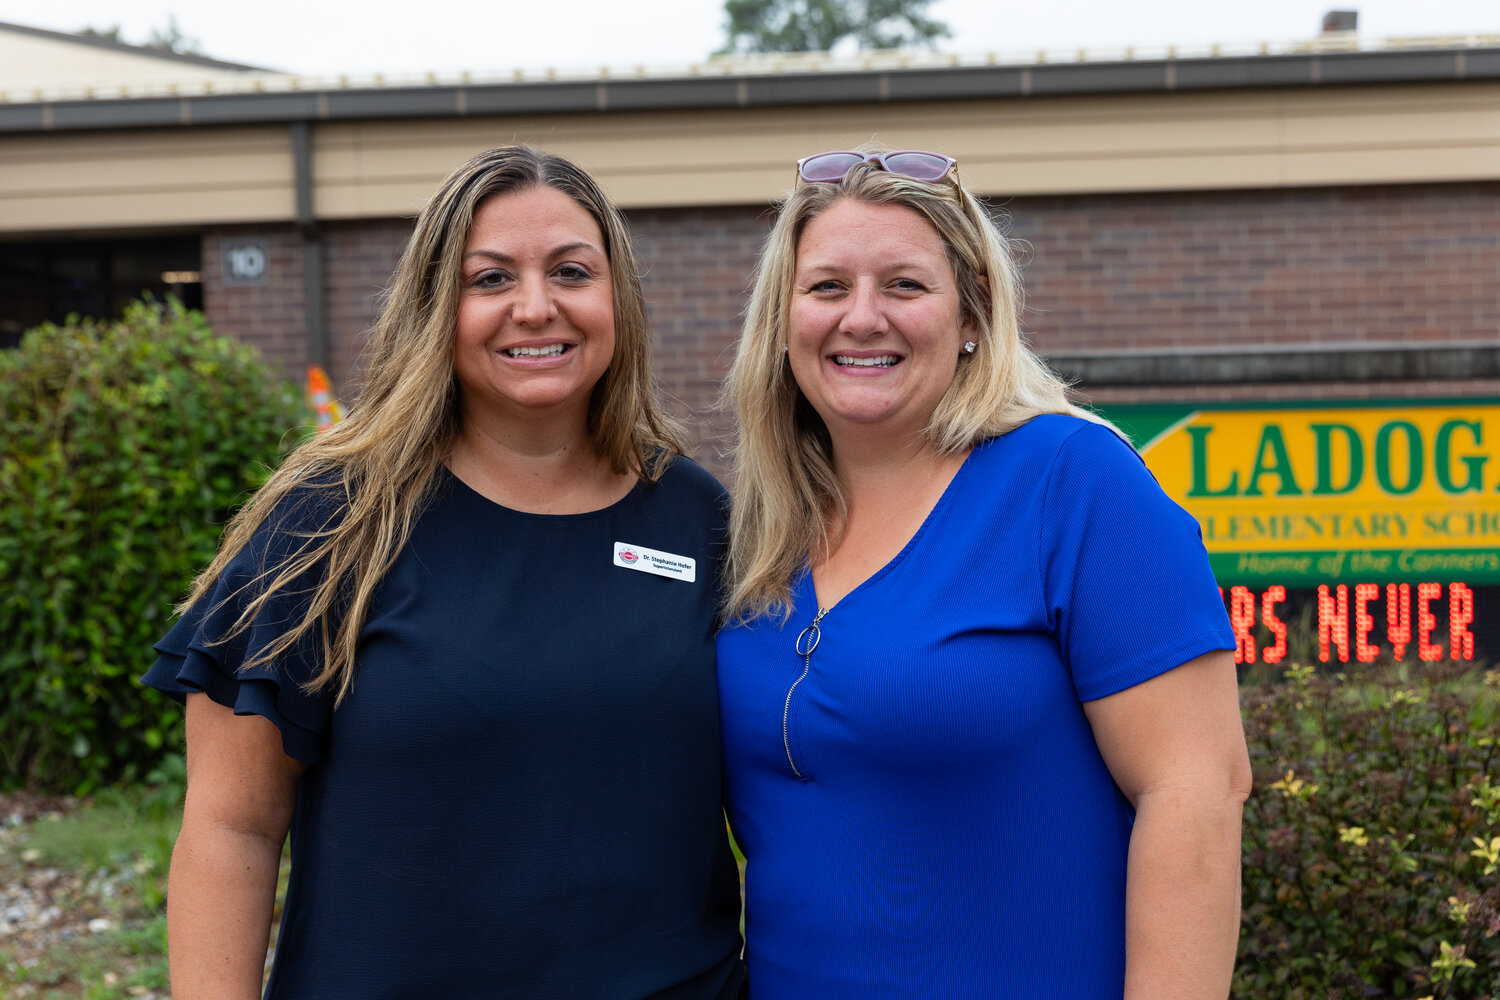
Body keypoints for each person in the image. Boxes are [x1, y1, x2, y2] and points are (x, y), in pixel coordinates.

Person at [143, 146, 745, 1000]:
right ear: (436, 306)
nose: (535, 308)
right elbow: (229, 825)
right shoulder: (333, 520)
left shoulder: (696, 517)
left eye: (571, 271)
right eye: (490, 279)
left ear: (618, 300)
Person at [716, 148, 1252, 998]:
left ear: (973, 315)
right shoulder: (755, 533)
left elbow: (1196, 789)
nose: (862, 317)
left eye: (904, 285)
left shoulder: (1074, 481)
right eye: (825, 287)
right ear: (782, 323)